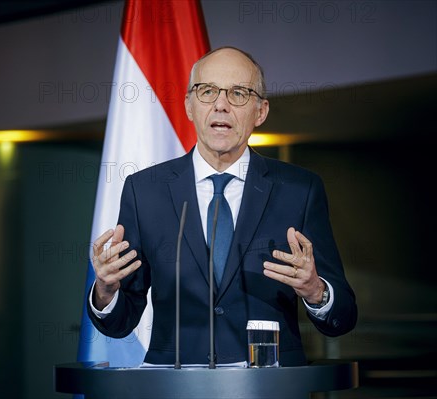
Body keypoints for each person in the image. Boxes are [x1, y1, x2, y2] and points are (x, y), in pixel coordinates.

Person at [88, 46, 357, 367]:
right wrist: (105, 291)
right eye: (207, 91)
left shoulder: (300, 189)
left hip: (268, 382)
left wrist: (316, 291)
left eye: (239, 93)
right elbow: (121, 321)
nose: (221, 105)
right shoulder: (144, 190)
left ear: (261, 111)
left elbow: (344, 316)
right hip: (172, 382)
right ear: (189, 105)